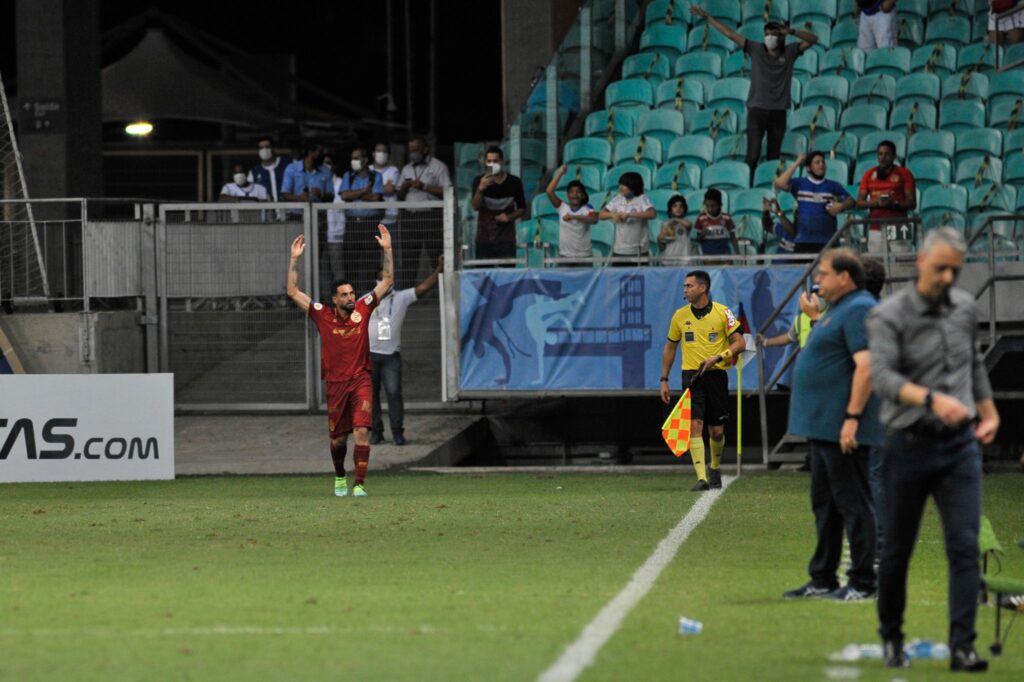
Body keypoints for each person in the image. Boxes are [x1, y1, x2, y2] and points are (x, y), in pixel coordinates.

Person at [867, 227, 1000, 671]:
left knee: (964, 547)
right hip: (907, 444)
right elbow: (883, 377)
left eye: (955, 270)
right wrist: (929, 399)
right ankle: (892, 638)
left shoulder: (965, 308)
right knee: (897, 549)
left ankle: (962, 647)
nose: (948, 277)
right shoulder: (889, 314)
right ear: (921, 260)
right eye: (940, 267)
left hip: (960, 448)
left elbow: (975, 362)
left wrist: (989, 411)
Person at [782, 248, 883, 602]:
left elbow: (867, 366)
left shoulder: (859, 309)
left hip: (843, 427)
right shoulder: (838, 310)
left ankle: (863, 582)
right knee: (825, 505)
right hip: (824, 428)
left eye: (823, 274)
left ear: (844, 277)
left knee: (854, 504)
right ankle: (823, 577)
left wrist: (852, 418)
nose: (817, 280)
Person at [286, 224, 394, 498]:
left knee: (361, 431)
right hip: (335, 384)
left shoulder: (363, 308)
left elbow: (388, 282)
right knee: (338, 440)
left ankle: (359, 484)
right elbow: (293, 292)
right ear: (334, 299)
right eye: (344, 295)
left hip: (360, 381)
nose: (350, 297)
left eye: (352, 293)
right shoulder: (322, 314)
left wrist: (388, 250)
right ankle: (339, 476)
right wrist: (294, 259)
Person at [690, 5, 818, 170]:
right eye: (767, 34)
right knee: (753, 156)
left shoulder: (790, 52)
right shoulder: (755, 49)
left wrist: (792, 31)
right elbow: (730, 34)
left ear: (781, 36)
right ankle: (748, 189)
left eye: (773, 34)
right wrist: (708, 17)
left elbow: (813, 39)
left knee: (773, 157)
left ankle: (770, 190)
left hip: (778, 112)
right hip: (757, 111)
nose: (769, 37)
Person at [659, 270, 746, 491]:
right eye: (685, 286)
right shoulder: (679, 316)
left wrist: (719, 357)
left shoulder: (723, 312)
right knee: (695, 425)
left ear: (703, 288)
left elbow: (740, 343)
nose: (685, 290)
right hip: (692, 376)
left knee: (716, 430)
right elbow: (670, 346)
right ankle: (701, 478)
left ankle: (714, 467)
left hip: (716, 375)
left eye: (689, 286)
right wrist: (664, 379)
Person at [368, 255, 444, 446]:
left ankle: (397, 432)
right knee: (370, 396)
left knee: (394, 393)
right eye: (380, 279)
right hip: (368, 355)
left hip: (390, 356)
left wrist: (439, 269)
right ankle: (376, 431)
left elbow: (423, 288)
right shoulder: (366, 300)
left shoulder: (400, 297)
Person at [775, 152, 856, 253]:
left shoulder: (833, 186)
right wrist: (797, 162)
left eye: (823, 162)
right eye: (817, 162)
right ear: (808, 168)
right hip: (803, 241)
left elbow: (852, 202)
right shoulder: (800, 183)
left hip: (828, 242)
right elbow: (780, 183)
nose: (821, 164)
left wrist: (841, 206)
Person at [398, 136, 452, 286]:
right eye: (410, 150)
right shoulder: (406, 168)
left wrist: (424, 187)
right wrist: (403, 187)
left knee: (435, 255)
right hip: (410, 217)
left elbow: (448, 191)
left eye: (416, 149)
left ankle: (442, 291)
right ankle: (407, 294)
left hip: (430, 216)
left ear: (425, 149)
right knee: (409, 257)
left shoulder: (438, 166)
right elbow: (399, 195)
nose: (412, 153)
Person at [856, 140, 917, 254]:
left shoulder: (905, 173)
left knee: (902, 264)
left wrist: (893, 204)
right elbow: (859, 203)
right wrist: (876, 203)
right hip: (876, 227)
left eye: (887, 154)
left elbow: (912, 203)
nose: (883, 158)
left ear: (894, 156)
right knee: (877, 264)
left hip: (899, 226)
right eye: (880, 154)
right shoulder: (869, 174)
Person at [340, 147, 385, 294]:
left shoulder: (376, 176)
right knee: (350, 262)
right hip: (352, 224)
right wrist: (364, 192)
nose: (354, 161)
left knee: (370, 262)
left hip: (369, 223)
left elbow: (376, 197)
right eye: (353, 158)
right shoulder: (348, 176)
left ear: (365, 160)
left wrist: (355, 195)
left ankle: (368, 297)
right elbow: (345, 196)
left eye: (357, 158)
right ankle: (352, 297)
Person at [471, 146, 527, 261]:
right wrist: (481, 188)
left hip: (506, 239)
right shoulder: (478, 181)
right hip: (484, 238)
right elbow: (475, 207)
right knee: (484, 274)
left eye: (495, 161)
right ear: (485, 163)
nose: (492, 164)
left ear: (502, 161)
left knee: (508, 275)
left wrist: (509, 217)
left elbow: (522, 208)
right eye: (489, 161)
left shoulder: (515, 182)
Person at [598, 171, 656, 264]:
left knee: (638, 278)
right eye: (620, 184)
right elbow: (601, 215)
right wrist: (613, 215)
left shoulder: (642, 198)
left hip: (639, 250)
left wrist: (630, 214)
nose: (620, 187)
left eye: (624, 185)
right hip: (619, 249)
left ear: (633, 186)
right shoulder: (617, 198)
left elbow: (652, 214)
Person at [545, 165, 598, 265]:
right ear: (567, 195)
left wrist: (574, 216)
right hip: (565, 257)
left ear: (583, 195)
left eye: (578, 192)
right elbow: (549, 191)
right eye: (572, 192)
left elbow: (593, 219)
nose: (575, 194)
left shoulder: (588, 207)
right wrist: (560, 173)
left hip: (584, 257)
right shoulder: (562, 207)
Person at [694, 189, 740, 260]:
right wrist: (702, 235)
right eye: (707, 206)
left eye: (713, 206)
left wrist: (738, 254)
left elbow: (733, 237)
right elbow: (698, 240)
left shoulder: (726, 218)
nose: (710, 209)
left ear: (720, 205)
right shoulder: (701, 218)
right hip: (708, 257)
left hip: (725, 256)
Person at [249, 136, 289, 202]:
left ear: (273, 148)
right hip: (267, 211)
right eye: (261, 148)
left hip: (288, 210)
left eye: (267, 147)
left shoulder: (286, 165)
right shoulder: (254, 172)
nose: (264, 150)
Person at [657, 194, 693, 266]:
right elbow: (662, 247)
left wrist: (675, 219)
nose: (678, 208)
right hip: (668, 261)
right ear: (670, 210)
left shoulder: (686, 223)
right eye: (675, 206)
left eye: (681, 206)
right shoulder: (665, 224)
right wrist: (659, 239)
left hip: (684, 262)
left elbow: (688, 225)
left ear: (684, 209)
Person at [371, 142, 401, 227]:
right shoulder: (368, 170)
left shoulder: (393, 170)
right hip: (371, 216)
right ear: (373, 153)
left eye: (384, 151)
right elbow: (386, 189)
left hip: (390, 217)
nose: (381, 153)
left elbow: (390, 190)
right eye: (378, 151)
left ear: (388, 155)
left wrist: (369, 189)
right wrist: (384, 187)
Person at [762, 195, 796, 260]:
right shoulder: (784, 230)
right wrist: (766, 211)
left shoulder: (804, 235)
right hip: (775, 268)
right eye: (796, 211)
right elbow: (768, 226)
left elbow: (792, 232)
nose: (797, 214)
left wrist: (778, 212)